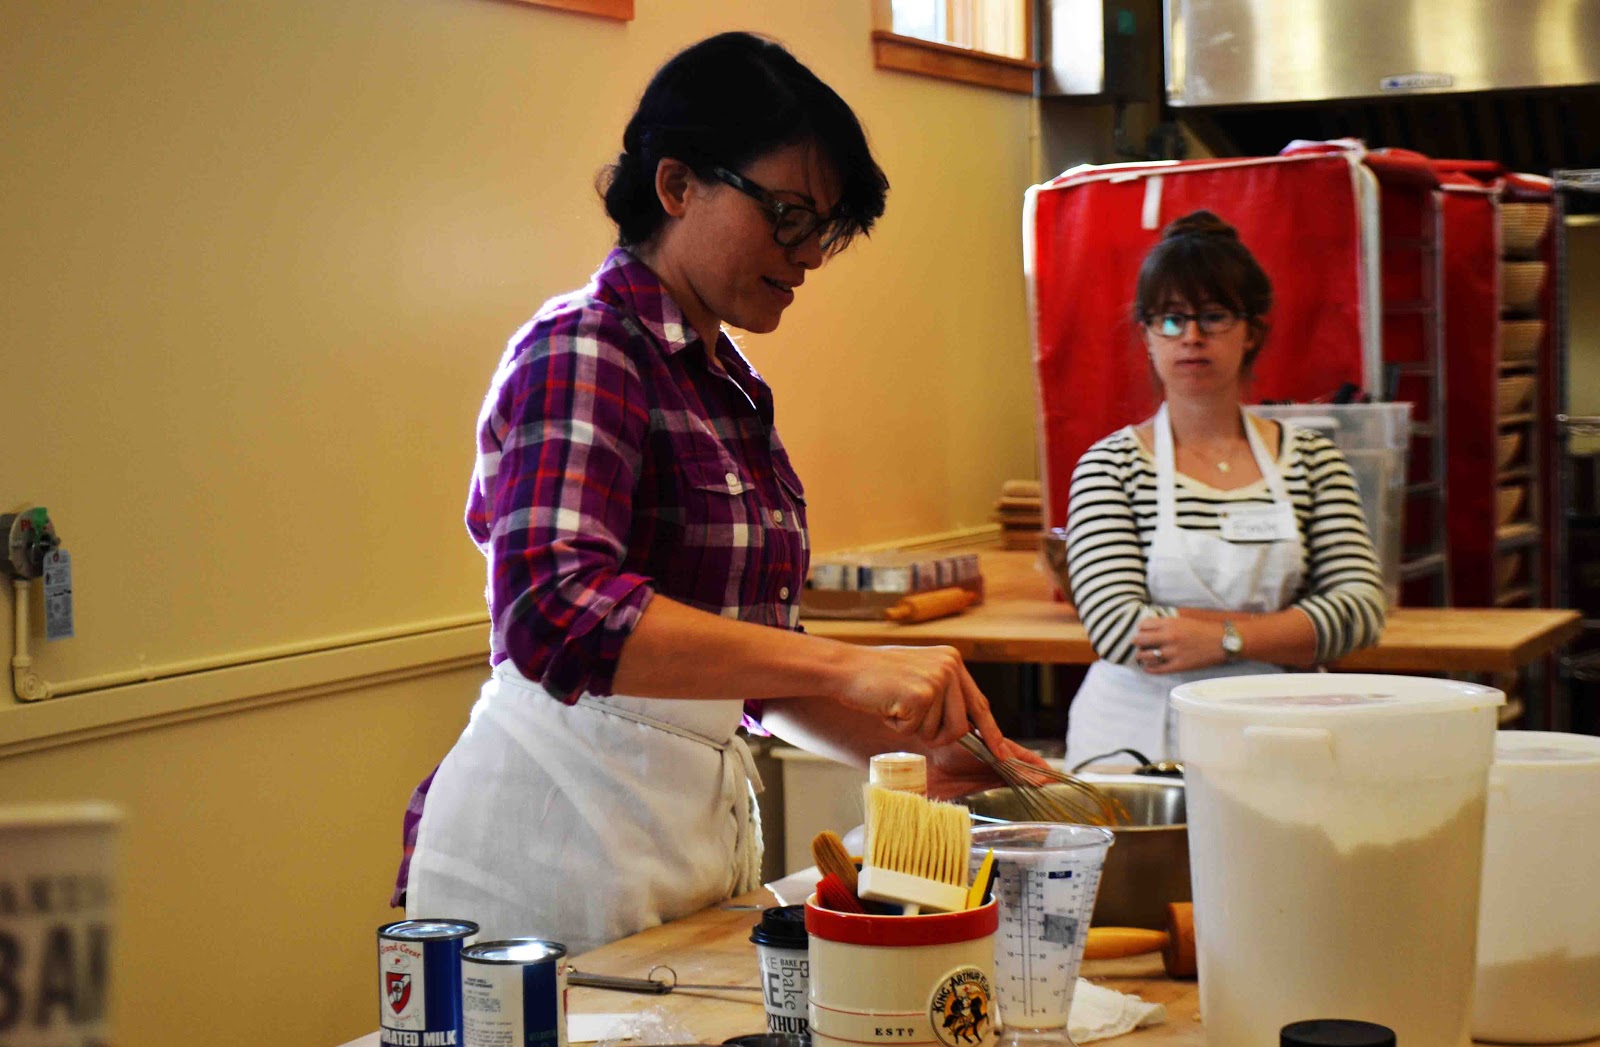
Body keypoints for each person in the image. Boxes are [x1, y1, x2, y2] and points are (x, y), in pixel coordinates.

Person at [393, 32, 1040, 955]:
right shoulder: (584, 347)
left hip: (665, 838)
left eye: (823, 226)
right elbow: (553, 608)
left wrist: (917, 755)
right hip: (552, 840)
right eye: (787, 212)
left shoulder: (720, 380)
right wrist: (848, 668)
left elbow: (741, 661)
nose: (809, 251)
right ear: (676, 186)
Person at [1063, 210, 1387, 767]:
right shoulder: (1110, 466)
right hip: (1133, 741)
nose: (1190, 337)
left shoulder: (1312, 460)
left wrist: (1225, 639)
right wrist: (1292, 627)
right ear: (1146, 334)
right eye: (1170, 319)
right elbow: (1116, 627)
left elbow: (1359, 611)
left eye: (1213, 316)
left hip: (1282, 732)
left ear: (1251, 332)